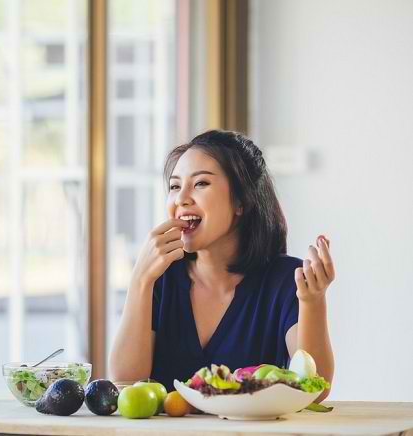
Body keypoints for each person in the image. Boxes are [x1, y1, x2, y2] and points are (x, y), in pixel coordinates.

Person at [108, 130, 334, 401]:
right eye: (175, 186)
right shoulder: (160, 278)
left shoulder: (286, 280)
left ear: (241, 201)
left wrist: (313, 301)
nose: (181, 198)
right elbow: (125, 383)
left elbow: (314, 391)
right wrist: (140, 280)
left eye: (201, 183)